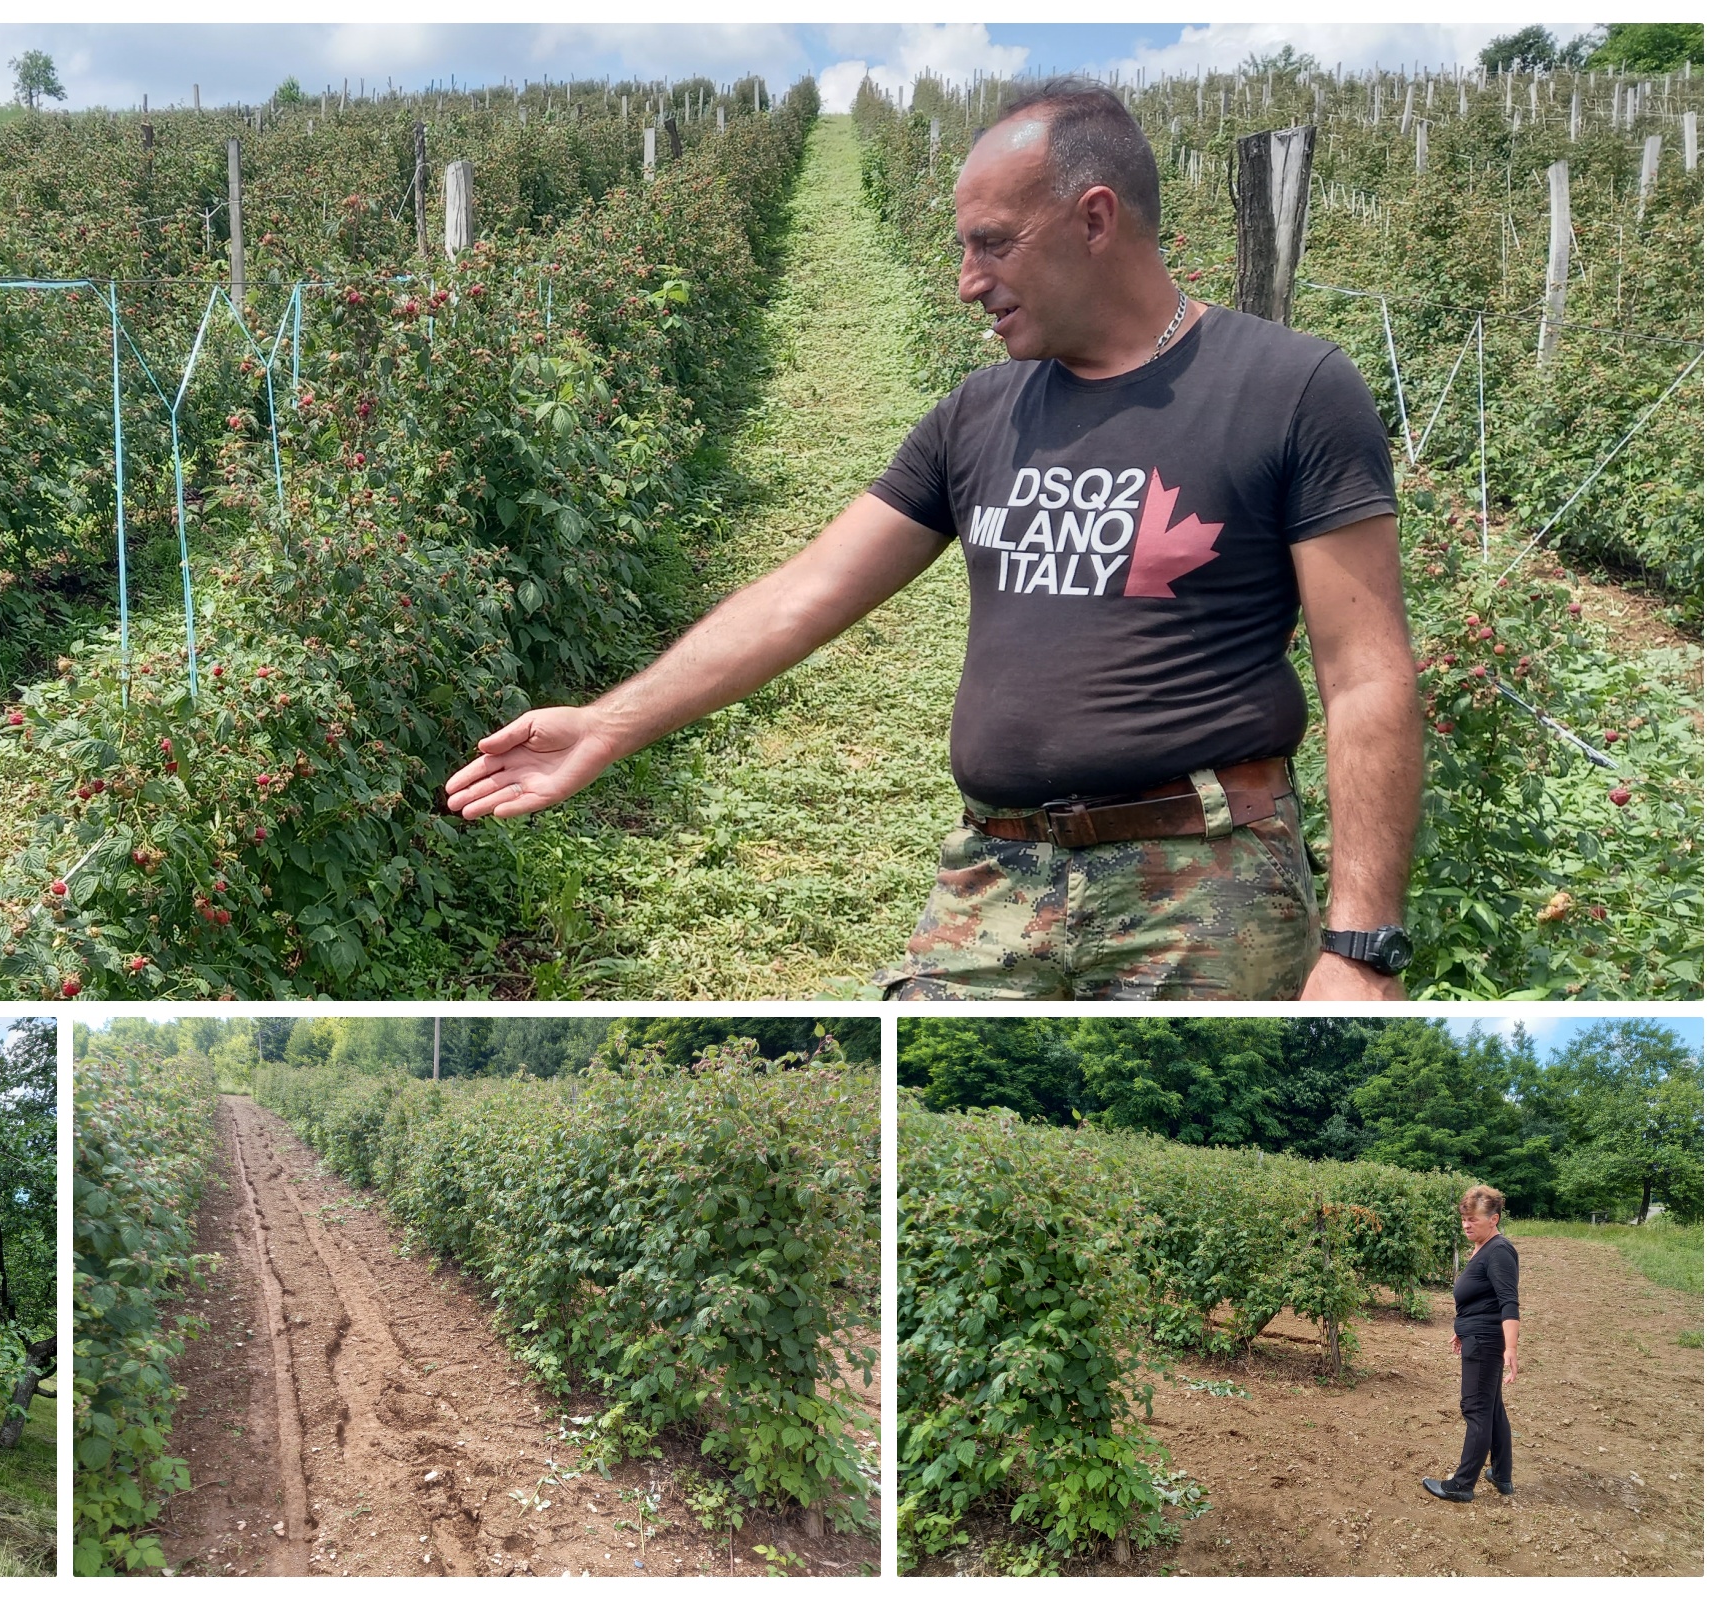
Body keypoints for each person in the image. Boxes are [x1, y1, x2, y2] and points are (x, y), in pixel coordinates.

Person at [442, 79, 1422, 1000]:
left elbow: (1365, 674)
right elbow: (802, 592)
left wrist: (1360, 944)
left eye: (991, 244)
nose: (966, 282)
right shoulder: (978, 416)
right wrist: (610, 724)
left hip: (1207, 878)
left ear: (1093, 219)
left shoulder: (1287, 390)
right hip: (991, 875)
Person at [1423, 1185, 1520, 1502]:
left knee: (1476, 1409)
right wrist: (1461, 1327)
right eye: (1463, 1218)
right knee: (1492, 1407)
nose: (1466, 1224)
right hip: (1478, 1334)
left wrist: (1511, 1349)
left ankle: (1462, 1484)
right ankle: (1502, 1474)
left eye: (1472, 1219)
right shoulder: (1483, 1247)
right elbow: (1482, 1299)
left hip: (1487, 1342)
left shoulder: (1499, 1251)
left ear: (1494, 1219)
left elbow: (1508, 1303)